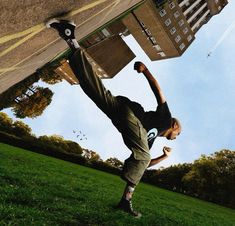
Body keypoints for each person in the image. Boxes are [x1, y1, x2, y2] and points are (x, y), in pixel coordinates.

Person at [46, 19, 181, 218]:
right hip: (131, 117)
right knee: (142, 156)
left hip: (120, 113)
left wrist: (164, 158)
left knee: (93, 88)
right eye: (179, 133)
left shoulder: (148, 142)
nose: (177, 137)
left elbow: (143, 165)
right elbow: (158, 91)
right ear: (175, 126)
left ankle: (70, 37)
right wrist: (146, 71)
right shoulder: (166, 118)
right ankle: (126, 201)